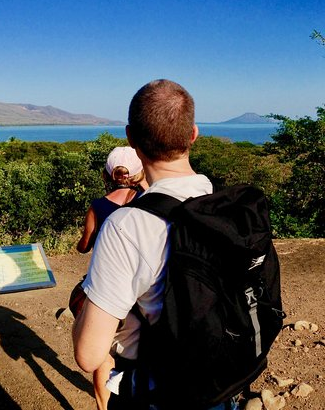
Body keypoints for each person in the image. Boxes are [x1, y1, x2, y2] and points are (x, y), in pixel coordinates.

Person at [71, 80, 234, 409]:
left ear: (131, 139)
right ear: (193, 135)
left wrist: (82, 305)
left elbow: (89, 356)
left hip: (155, 389)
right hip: (219, 383)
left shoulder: (126, 226)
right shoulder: (224, 206)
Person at [74, 146, 146, 410]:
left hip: (107, 288)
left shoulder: (98, 207)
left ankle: (103, 406)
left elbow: (84, 245)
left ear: (107, 174)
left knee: (103, 352)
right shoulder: (149, 201)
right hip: (142, 291)